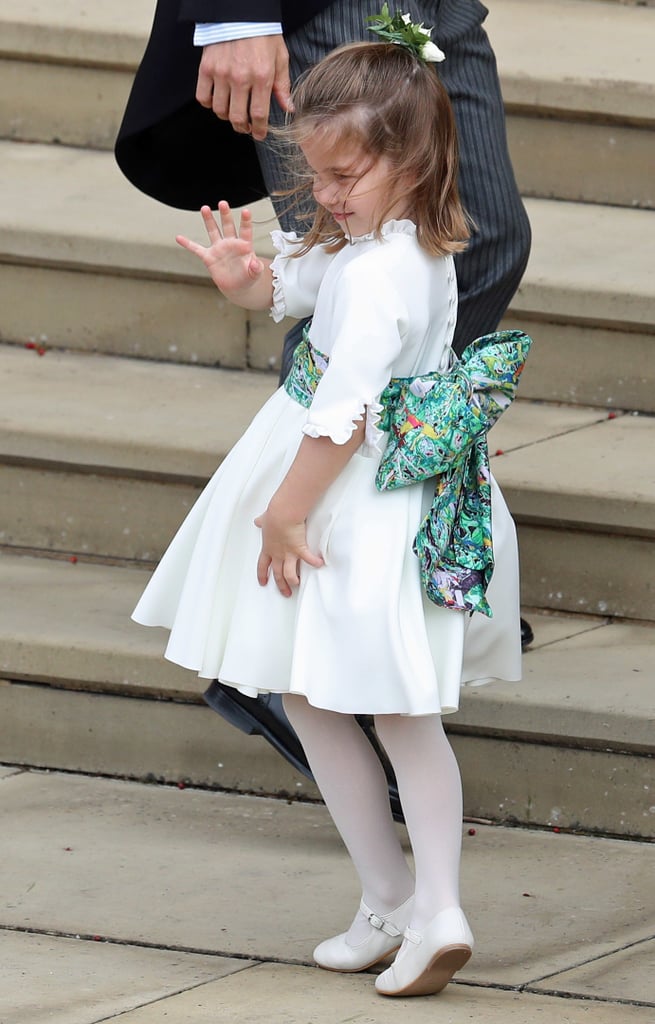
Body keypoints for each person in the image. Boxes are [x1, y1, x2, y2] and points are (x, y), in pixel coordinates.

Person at [131, 34, 523, 996]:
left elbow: (344, 412)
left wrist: (282, 514)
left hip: (351, 502)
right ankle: (391, 896)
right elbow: (294, 289)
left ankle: (436, 907)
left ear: (413, 159)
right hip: (352, 492)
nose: (329, 194)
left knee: (395, 709)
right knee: (312, 697)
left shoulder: (387, 273)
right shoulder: (373, 243)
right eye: (316, 176)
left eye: (346, 175)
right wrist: (245, 280)